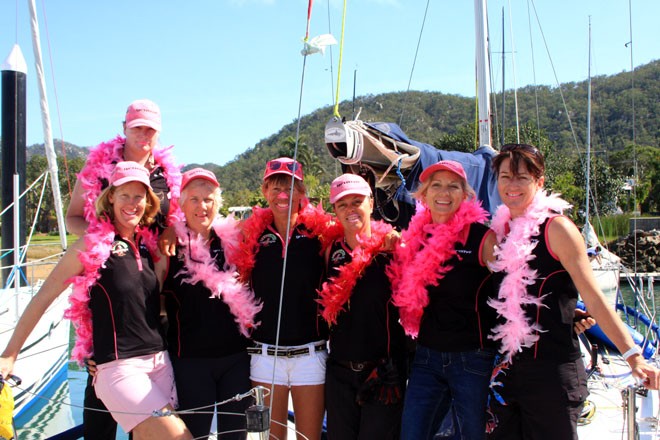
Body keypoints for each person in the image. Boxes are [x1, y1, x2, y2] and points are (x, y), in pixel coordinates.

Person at [0, 162, 192, 439]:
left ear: (148, 201)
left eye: (139, 196)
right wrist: (10, 355)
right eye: (124, 194)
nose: (132, 203)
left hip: (159, 362)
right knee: (179, 437)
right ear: (110, 197)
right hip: (119, 368)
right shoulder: (91, 245)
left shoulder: (146, 246)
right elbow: (43, 297)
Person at [486, 143, 660, 440]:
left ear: (539, 182)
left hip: (552, 374)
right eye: (505, 177)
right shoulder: (498, 232)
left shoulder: (558, 229)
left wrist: (633, 356)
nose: (512, 185)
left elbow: (594, 297)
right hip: (507, 375)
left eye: (522, 177)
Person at [65, 99, 182, 440]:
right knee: (99, 395)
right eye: (137, 128)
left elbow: (168, 221)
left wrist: (172, 228)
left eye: (151, 129)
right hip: (108, 280)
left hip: (149, 287)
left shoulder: (166, 175)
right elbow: (73, 217)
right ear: (124, 128)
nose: (144, 135)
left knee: (146, 407)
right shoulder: (100, 165)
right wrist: (105, 240)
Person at [387, 160, 498, 440]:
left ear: (465, 194)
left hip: (472, 357)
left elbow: (517, 286)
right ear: (424, 194)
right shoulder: (415, 237)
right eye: (436, 185)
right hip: (426, 355)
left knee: (472, 435)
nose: (444, 193)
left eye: (453, 186)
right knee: (412, 434)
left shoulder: (483, 238)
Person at [234, 157, 341, 440]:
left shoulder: (322, 233)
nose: (283, 195)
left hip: (311, 355)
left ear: (303, 192)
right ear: (264, 190)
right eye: (276, 187)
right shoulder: (248, 235)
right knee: (272, 438)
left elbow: (359, 238)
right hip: (265, 357)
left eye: (291, 187)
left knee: (310, 437)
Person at [158, 168, 261, 439]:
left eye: (209, 199)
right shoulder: (169, 247)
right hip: (190, 362)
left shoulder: (235, 240)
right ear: (182, 203)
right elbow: (146, 300)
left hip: (236, 361)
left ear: (218, 203)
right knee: (195, 435)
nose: (202, 206)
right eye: (194, 199)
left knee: (235, 436)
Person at [318, 174, 408, 439]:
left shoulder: (392, 248)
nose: (350, 209)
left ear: (371, 203)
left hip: (383, 374)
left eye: (356, 201)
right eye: (342, 204)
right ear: (334, 210)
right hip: (339, 372)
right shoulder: (328, 251)